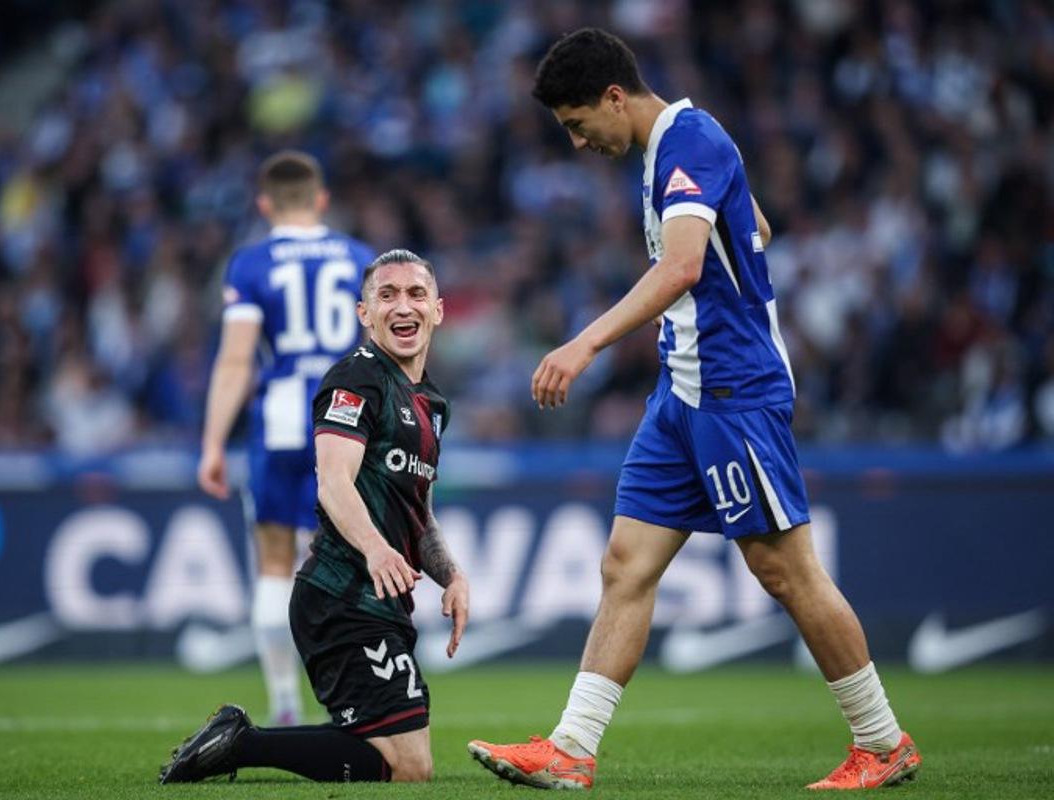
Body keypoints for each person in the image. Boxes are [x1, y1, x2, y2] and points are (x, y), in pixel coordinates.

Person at [468, 28, 921, 791]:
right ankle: (573, 750)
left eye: (580, 125)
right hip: (681, 395)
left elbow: (681, 265)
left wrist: (583, 345)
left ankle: (881, 741)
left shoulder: (690, 139)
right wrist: (739, 231)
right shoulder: (671, 153)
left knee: (786, 570)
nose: (580, 143)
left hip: (734, 392)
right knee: (625, 566)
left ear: (616, 97)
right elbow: (754, 229)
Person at [162, 248, 468, 784]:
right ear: (364, 313)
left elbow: (421, 513)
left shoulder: (432, 404)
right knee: (412, 768)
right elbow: (333, 482)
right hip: (342, 597)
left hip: (380, 599)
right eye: (387, 295)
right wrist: (375, 548)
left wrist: (453, 574)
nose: (404, 306)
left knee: (395, 763)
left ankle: (240, 741)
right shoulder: (355, 379)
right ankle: (243, 742)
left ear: (438, 310)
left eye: (417, 294)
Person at [196, 150, 374, 725]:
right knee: (347, 563)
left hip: (278, 424)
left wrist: (213, 443)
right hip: (346, 420)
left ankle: (285, 705)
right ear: (321, 200)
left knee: (274, 562)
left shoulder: (249, 265)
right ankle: (355, 703)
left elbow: (235, 360)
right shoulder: (360, 259)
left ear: (265, 204)